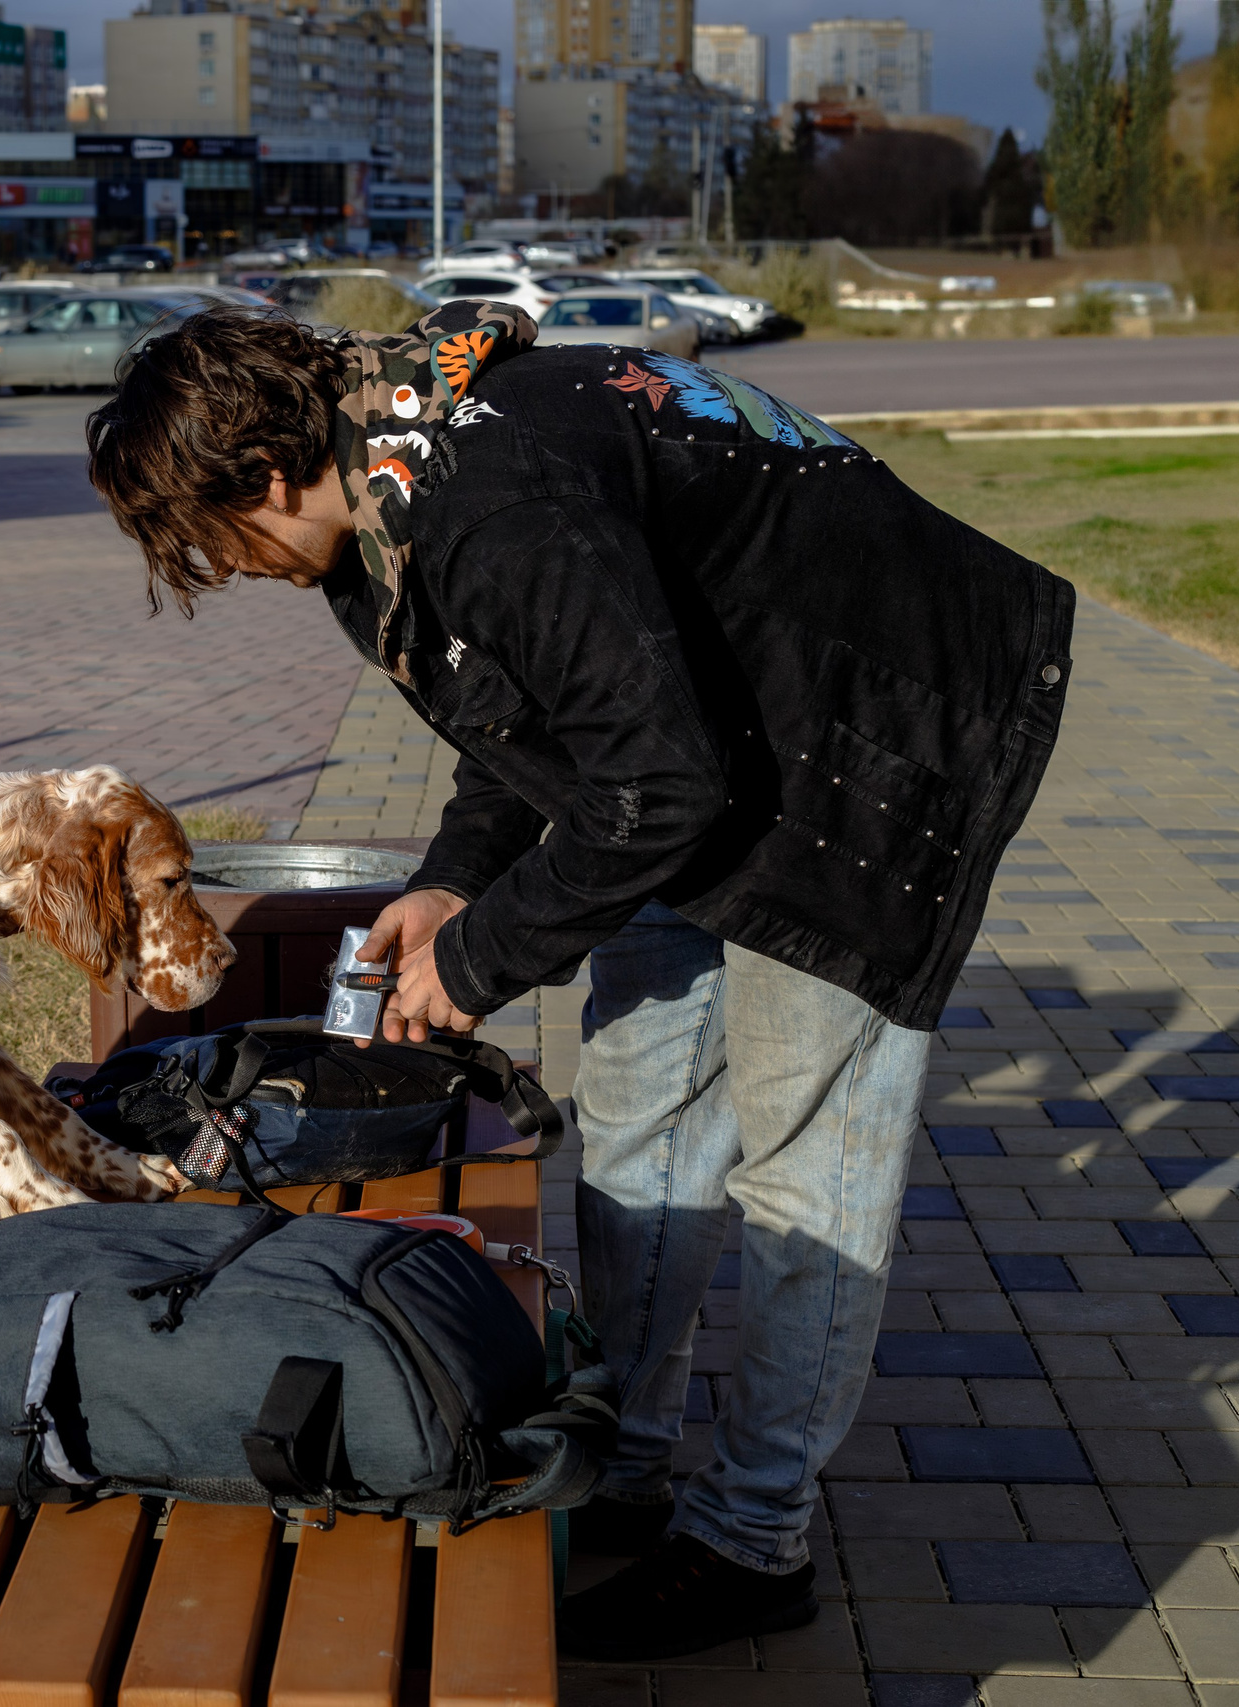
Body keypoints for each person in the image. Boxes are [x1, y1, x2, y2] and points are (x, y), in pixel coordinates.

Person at [85, 303, 1073, 1662]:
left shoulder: (492, 500)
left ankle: (754, 1540)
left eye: (216, 539)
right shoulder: (389, 498)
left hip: (872, 744)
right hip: (710, 747)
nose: (229, 571)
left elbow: (660, 782)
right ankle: (627, 1453)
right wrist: (454, 880)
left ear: (264, 471)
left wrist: (479, 961)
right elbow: (538, 709)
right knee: (644, 1113)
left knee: (808, 1172)